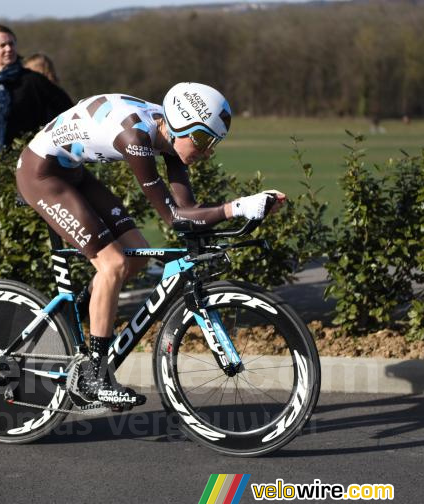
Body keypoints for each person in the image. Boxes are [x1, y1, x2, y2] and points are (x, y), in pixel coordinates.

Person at [16, 82, 286, 409]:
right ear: (179, 127)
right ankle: (95, 376)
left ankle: (85, 311)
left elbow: (188, 212)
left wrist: (243, 208)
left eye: (214, 142)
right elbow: (173, 218)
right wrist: (236, 207)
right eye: (202, 139)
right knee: (113, 264)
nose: (208, 150)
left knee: (137, 254)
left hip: (70, 171)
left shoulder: (169, 134)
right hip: (40, 172)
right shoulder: (136, 139)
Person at [0, 24, 72, 152]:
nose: (8, 48)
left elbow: (66, 107)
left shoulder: (32, 80)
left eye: (11, 44)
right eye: (2, 45)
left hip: (27, 157)